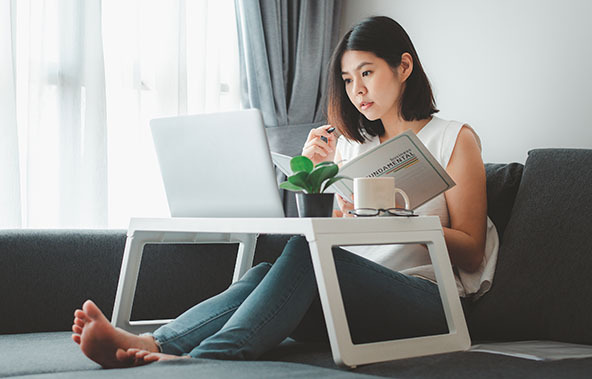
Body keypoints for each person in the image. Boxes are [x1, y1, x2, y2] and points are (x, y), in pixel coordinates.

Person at [70, 16, 499, 368]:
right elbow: (333, 235)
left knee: (302, 256)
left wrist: (397, 220)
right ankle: (154, 343)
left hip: (427, 301)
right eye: (348, 80)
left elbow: (472, 251)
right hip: (348, 295)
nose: (357, 91)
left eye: (367, 73)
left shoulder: (453, 140)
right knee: (265, 271)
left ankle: (204, 363)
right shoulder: (352, 148)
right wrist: (312, 173)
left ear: (404, 67)